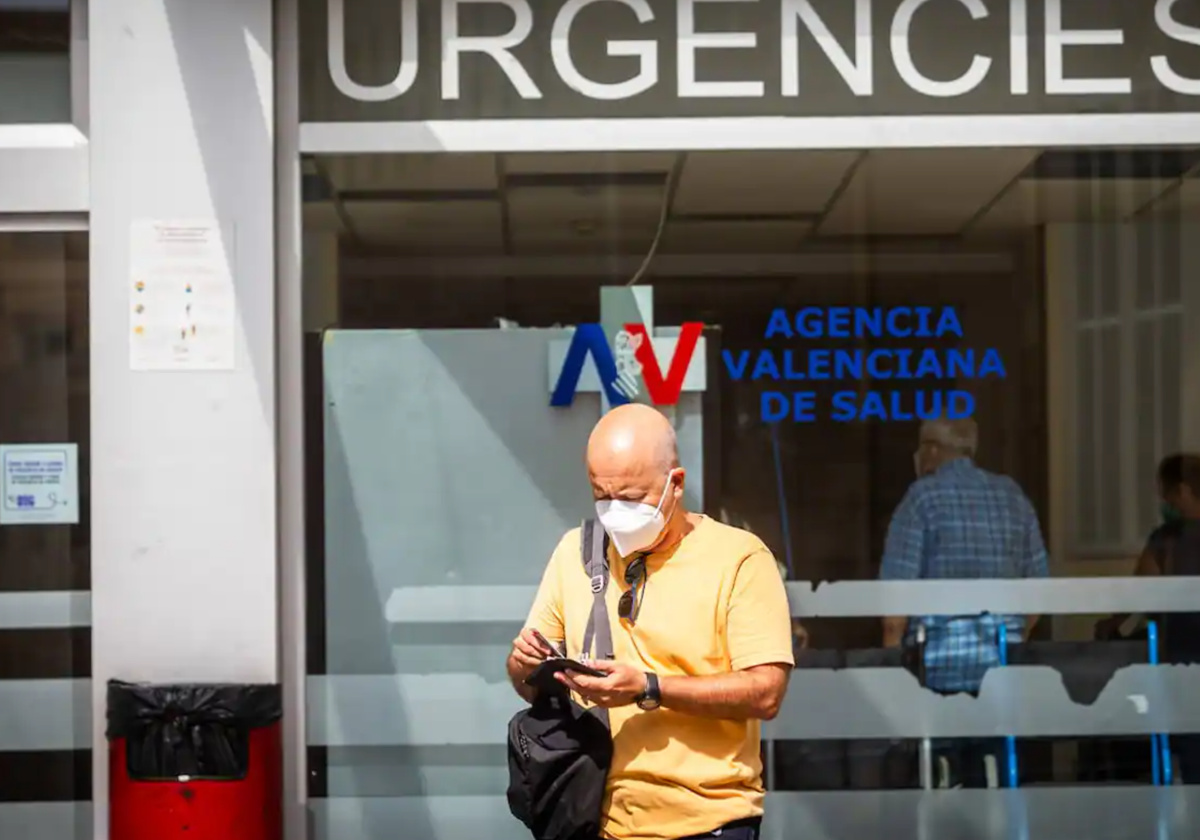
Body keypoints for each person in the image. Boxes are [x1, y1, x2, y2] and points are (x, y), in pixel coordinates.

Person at [506, 403, 794, 840]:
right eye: (601, 495)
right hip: (594, 820)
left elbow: (765, 693)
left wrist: (647, 687)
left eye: (631, 498)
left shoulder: (739, 558)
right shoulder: (575, 552)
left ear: (675, 484)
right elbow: (527, 684)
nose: (614, 510)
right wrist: (526, 664)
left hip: (708, 821)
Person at [879, 415, 1049, 787]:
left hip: (940, 669)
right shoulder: (1012, 496)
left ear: (932, 451)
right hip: (1003, 670)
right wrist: (1012, 638)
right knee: (996, 779)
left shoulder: (922, 498)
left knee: (943, 785)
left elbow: (896, 601)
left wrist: (892, 668)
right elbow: (1038, 591)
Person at [1096, 453, 1200, 783]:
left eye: (1165, 493)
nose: (1163, 502)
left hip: (1181, 660)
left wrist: (1112, 623)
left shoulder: (1166, 540)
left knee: (1190, 749)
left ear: (1182, 491)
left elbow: (1138, 592)